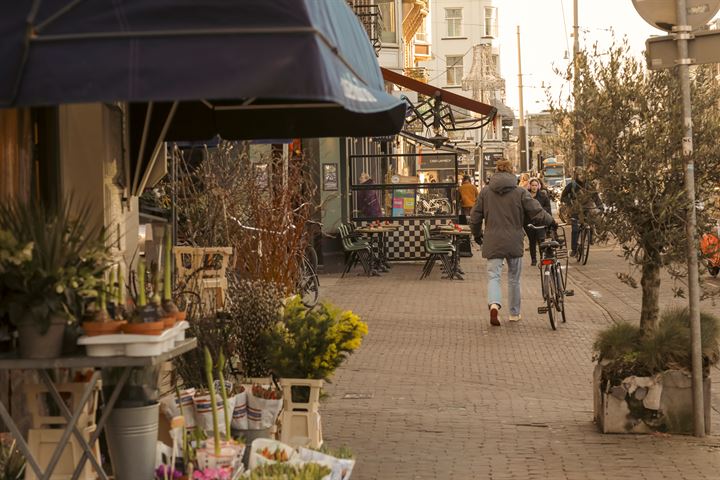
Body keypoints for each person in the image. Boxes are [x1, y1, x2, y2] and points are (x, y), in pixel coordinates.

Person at [470, 160, 555, 326]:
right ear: (511, 172)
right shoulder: (520, 192)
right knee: (514, 279)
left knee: (493, 276)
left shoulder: (486, 192)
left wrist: (477, 234)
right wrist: (551, 221)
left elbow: (475, 217)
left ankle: (494, 304)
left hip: (493, 240)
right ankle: (514, 313)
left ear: (496, 171)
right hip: (514, 240)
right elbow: (536, 212)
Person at [560, 167, 602, 256]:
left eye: (583, 175)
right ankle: (574, 249)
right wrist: (570, 202)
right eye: (580, 175)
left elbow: (596, 197)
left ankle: (591, 237)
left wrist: (600, 206)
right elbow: (563, 197)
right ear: (577, 176)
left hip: (587, 209)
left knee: (594, 220)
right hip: (575, 210)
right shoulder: (572, 185)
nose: (582, 176)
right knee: (575, 230)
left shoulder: (589, 185)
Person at [523, 177, 553, 266]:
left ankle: (542, 258)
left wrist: (545, 216)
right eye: (532, 185)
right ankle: (533, 260)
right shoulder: (526, 196)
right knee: (532, 241)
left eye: (536, 185)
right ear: (529, 186)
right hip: (529, 222)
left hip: (540, 221)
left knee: (541, 240)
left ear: (538, 186)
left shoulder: (543, 196)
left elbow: (548, 208)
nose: (534, 187)